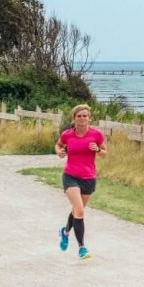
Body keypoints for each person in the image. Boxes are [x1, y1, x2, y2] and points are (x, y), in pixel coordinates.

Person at [54, 104, 106, 258]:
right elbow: (58, 145)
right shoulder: (67, 134)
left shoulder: (96, 135)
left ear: (89, 118)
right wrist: (59, 152)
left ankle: (65, 231)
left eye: (85, 115)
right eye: (79, 116)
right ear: (74, 118)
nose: (82, 118)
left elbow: (104, 153)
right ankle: (82, 248)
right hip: (70, 176)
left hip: (88, 178)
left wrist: (97, 149)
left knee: (77, 210)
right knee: (80, 211)